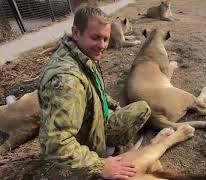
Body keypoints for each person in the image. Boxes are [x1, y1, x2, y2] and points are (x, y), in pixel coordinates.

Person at [38, 5, 151, 179]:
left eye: (105, 39)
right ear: (76, 33)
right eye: (96, 37)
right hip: (82, 144)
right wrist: (100, 166)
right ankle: (103, 153)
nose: (102, 45)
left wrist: (115, 106)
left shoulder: (82, 54)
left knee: (142, 108)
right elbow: (56, 145)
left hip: (95, 124)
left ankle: (110, 148)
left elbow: (97, 89)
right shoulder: (68, 82)